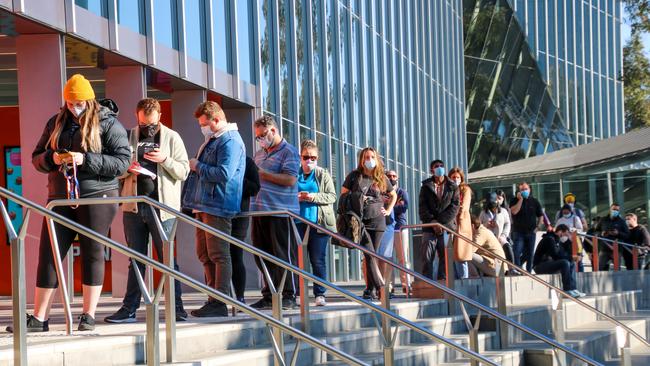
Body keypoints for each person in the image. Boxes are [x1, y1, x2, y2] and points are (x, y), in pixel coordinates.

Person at [10, 74, 130, 332]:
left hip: (97, 197)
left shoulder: (108, 123)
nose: (74, 106)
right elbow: (36, 157)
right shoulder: (56, 122)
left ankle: (88, 315)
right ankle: (39, 318)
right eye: (70, 101)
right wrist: (52, 159)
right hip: (60, 197)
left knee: (92, 253)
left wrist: (84, 160)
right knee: (49, 255)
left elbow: (121, 163)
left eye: (79, 102)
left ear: (89, 100)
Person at [105, 98, 189, 323]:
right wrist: (126, 168)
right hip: (133, 206)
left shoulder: (172, 137)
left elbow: (184, 171)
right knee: (136, 259)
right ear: (137, 117)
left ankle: (176, 308)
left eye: (151, 125)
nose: (147, 129)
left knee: (167, 260)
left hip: (163, 209)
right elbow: (116, 170)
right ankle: (129, 309)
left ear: (160, 117)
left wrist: (165, 159)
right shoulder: (129, 135)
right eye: (143, 124)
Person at [181, 101, 246, 317]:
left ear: (216, 120)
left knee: (219, 253)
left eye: (204, 124)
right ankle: (213, 299)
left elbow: (224, 173)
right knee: (204, 253)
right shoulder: (214, 139)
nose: (202, 128)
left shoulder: (230, 141)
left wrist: (196, 166)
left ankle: (220, 301)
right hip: (204, 204)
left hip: (218, 204)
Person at [250, 115, 301, 310]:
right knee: (262, 254)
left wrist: (264, 174)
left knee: (283, 255)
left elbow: (290, 180)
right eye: (258, 137)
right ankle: (270, 294)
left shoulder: (289, 152)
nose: (261, 139)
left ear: (273, 130)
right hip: (259, 211)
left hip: (281, 212)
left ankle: (289, 294)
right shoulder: (259, 154)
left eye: (262, 135)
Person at [341, 147, 397, 300]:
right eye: (366, 157)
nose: (369, 160)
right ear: (361, 159)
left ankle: (370, 290)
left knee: (371, 255)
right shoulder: (354, 176)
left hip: (378, 222)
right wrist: (358, 197)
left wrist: (388, 209)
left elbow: (393, 194)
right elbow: (343, 194)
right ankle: (381, 287)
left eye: (372, 157)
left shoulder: (380, 177)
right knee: (369, 253)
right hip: (360, 221)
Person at [296, 140, 336, 306]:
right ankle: (298, 293)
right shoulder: (294, 173)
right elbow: (286, 193)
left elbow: (332, 196)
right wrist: (297, 197)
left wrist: (313, 197)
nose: (309, 161)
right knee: (298, 260)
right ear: (301, 157)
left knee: (317, 259)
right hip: (297, 222)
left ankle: (320, 294)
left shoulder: (322, 174)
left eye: (313, 157)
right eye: (306, 157)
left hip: (318, 223)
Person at [418, 159, 460, 280]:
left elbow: (454, 207)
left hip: (446, 227)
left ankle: (444, 283)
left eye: (442, 166)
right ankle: (427, 283)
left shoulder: (453, 186)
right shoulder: (425, 186)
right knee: (426, 257)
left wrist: (440, 223)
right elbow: (422, 207)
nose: (440, 168)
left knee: (445, 258)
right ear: (432, 170)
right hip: (429, 228)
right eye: (437, 166)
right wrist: (432, 222)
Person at [230, 156, 260, 304]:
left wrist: (236, 179)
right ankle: (218, 298)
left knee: (236, 255)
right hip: (217, 213)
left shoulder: (247, 162)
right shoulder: (219, 157)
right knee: (216, 257)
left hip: (239, 215)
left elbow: (255, 188)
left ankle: (239, 297)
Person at [532, 225, 585, 298]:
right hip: (540, 265)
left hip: (549, 264)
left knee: (571, 262)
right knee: (565, 263)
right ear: (560, 231)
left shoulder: (557, 240)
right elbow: (555, 256)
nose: (565, 236)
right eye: (565, 234)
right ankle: (567, 290)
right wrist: (571, 257)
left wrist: (569, 242)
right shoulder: (549, 239)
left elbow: (564, 254)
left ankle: (573, 289)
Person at [510, 182, 545, 272]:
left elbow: (540, 215)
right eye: (522, 190)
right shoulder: (514, 200)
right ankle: (517, 270)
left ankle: (528, 271)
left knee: (529, 254)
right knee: (517, 252)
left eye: (526, 189)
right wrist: (520, 200)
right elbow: (514, 212)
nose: (524, 191)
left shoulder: (534, 201)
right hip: (518, 232)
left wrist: (538, 227)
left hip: (531, 232)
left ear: (529, 190)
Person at [386, 170, 412, 294]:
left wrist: (388, 206)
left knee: (403, 258)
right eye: (389, 176)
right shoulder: (383, 192)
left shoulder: (402, 192)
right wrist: (391, 204)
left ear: (398, 178)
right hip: (387, 228)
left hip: (400, 228)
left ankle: (406, 285)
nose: (391, 178)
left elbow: (403, 207)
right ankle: (389, 287)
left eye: (394, 176)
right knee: (388, 259)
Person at [449, 167, 474, 279]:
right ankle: (456, 285)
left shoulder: (465, 189)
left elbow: (464, 207)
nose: (455, 179)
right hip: (450, 225)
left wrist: (450, 212)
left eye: (457, 177)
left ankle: (464, 283)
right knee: (452, 257)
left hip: (461, 224)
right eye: (453, 177)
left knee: (461, 256)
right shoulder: (448, 189)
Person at [594, 203, 630, 271]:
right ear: (610, 209)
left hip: (617, 249)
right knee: (599, 268)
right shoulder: (603, 220)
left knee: (617, 270)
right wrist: (601, 234)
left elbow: (627, 235)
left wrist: (618, 233)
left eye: (617, 210)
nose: (615, 211)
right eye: (614, 209)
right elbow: (595, 232)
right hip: (604, 248)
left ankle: (617, 281)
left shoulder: (621, 222)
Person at [555, 204, 585, 271]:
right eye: (564, 212)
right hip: (564, 242)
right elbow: (556, 230)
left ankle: (580, 271)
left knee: (578, 259)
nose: (565, 214)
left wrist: (572, 230)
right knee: (565, 257)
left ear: (570, 211)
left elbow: (581, 229)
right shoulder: (560, 220)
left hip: (574, 241)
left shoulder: (575, 218)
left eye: (567, 212)